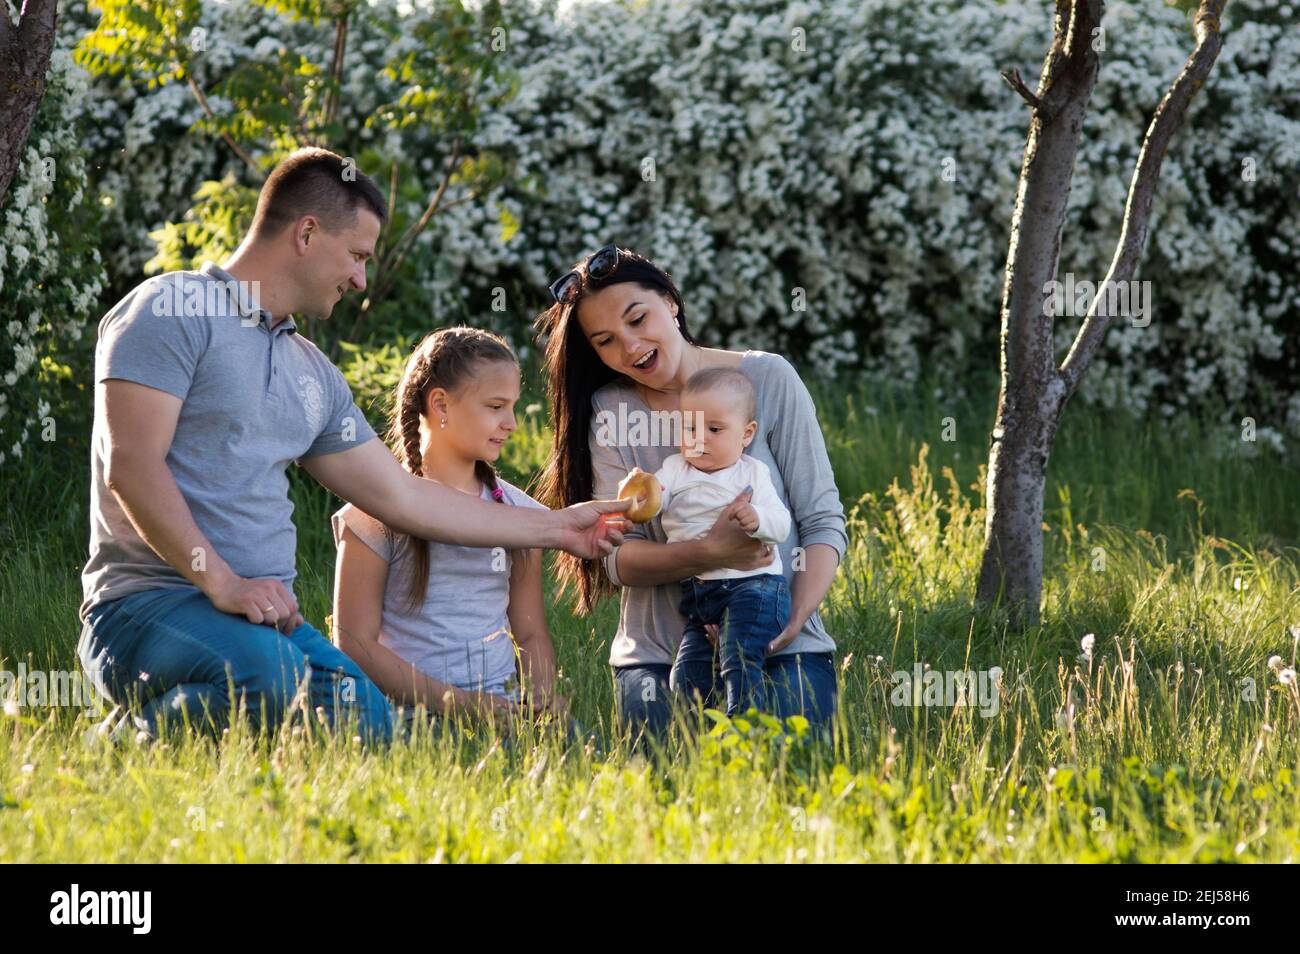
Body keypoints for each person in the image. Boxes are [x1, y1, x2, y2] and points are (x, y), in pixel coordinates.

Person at [77, 148, 627, 744]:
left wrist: (560, 528)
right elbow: (131, 466)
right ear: (307, 233)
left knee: (370, 725)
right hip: (148, 606)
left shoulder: (311, 372)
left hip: (266, 620)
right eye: (358, 256)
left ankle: (171, 724)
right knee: (272, 680)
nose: (362, 279)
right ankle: (123, 741)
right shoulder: (171, 310)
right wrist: (225, 583)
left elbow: (404, 498)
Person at [534, 244, 847, 740]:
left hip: (780, 644)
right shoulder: (611, 410)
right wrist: (706, 552)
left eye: (638, 319)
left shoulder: (767, 379)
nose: (631, 346)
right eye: (606, 341)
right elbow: (618, 558)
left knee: (790, 778)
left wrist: (789, 625)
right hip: (660, 656)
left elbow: (822, 520)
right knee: (671, 795)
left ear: (670, 301)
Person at [330, 327, 568, 730]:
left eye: (513, 407)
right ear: (440, 404)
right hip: (409, 715)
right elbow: (354, 642)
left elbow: (530, 634)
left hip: (503, 712)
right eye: (495, 406)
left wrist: (542, 698)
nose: (510, 423)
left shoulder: (520, 514)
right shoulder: (373, 514)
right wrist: (460, 705)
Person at [629, 366, 793, 716]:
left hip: (755, 588)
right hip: (702, 595)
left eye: (714, 429)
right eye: (690, 428)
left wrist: (758, 519)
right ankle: (701, 731)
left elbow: (780, 525)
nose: (699, 438)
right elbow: (653, 498)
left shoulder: (750, 473)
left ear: (746, 434)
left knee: (738, 657)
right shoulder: (675, 469)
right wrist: (637, 491)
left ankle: (744, 726)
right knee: (686, 671)